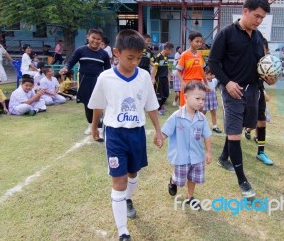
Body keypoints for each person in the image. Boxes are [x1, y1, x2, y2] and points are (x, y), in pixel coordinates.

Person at [87, 29, 163, 241]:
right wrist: (95, 127)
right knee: (118, 181)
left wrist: (158, 130)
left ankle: (128, 199)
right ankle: (123, 231)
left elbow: (151, 106)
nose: (135, 62)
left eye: (139, 58)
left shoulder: (144, 76)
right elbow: (98, 105)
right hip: (115, 135)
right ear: (116, 53)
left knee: (133, 174)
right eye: (130, 57)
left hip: (137, 133)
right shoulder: (106, 77)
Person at [207, 0, 271, 198]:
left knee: (245, 126)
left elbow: (261, 64)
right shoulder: (226, 33)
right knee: (234, 133)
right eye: (256, 16)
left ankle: (224, 157)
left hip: (253, 89)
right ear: (245, 11)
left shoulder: (259, 37)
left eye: (262, 18)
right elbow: (214, 62)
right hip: (232, 90)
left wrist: (268, 78)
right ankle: (243, 181)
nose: (259, 20)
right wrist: (227, 82)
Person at [162, 81, 212, 208]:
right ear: (186, 97)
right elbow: (166, 131)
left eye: (203, 99)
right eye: (197, 98)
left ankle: (190, 197)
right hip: (181, 156)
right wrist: (160, 139)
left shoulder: (202, 118)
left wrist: (208, 152)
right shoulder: (177, 116)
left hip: (197, 156)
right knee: (180, 180)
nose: (201, 102)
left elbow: (206, 135)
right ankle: (173, 180)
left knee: (193, 178)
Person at [59, 28, 111, 140]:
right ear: (88, 37)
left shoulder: (104, 54)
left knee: (98, 105)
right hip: (84, 80)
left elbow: (108, 70)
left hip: (98, 81)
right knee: (87, 104)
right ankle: (90, 124)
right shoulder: (80, 50)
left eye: (98, 39)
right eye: (93, 38)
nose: (95, 41)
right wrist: (65, 68)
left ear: (101, 40)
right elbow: (71, 62)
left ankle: (100, 128)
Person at [244, 38, 273, 165]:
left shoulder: (266, 62)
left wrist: (270, 80)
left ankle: (261, 152)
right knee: (240, 121)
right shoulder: (248, 58)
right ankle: (227, 152)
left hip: (259, 90)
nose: (264, 52)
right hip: (245, 91)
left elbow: (268, 78)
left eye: (265, 50)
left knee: (262, 121)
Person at [176, 31, 209, 107]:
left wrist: (206, 84)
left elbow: (202, 71)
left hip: (199, 84)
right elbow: (178, 71)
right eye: (197, 41)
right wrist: (183, 83)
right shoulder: (184, 55)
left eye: (201, 42)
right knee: (185, 108)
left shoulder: (200, 54)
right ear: (190, 41)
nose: (199, 44)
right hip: (188, 84)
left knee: (198, 107)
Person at [151, 42, 174, 115]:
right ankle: (157, 109)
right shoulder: (158, 56)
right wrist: (153, 78)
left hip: (165, 78)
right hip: (159, 78)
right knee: (159, 95)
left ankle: (160, 107)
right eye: (170, 51)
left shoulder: (166, 57)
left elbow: (166, 66)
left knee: (166, 94)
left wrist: (170, 74)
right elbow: (154, 68)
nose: (170, 53)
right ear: (167, 49)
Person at [203, 66, 222, 133]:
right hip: (205, 98)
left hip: (212, 98)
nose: (213, 76)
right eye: (211, 74)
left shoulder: (214, 80)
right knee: (203, 113)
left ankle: (215, 126)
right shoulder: (203, 81)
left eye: (213, 74)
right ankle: (199, 124)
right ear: (205, 73)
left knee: (213, 113)